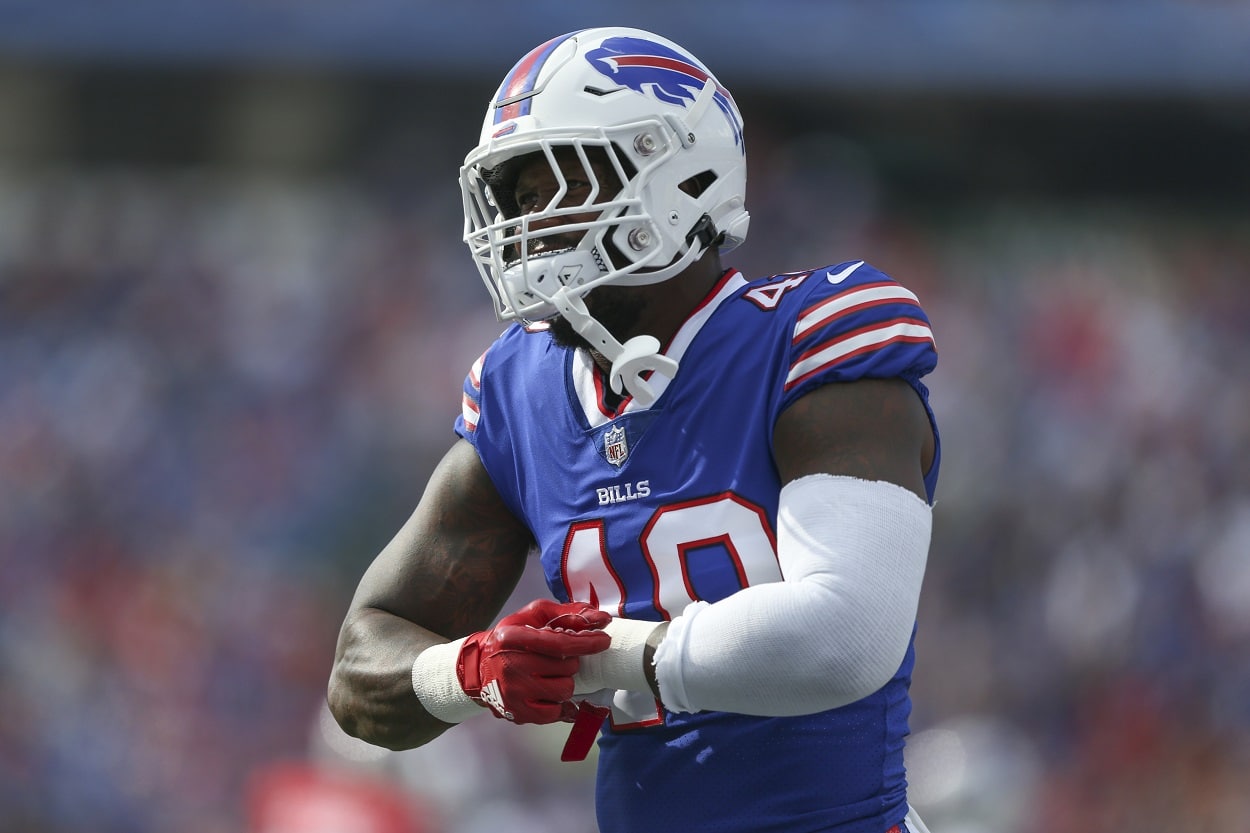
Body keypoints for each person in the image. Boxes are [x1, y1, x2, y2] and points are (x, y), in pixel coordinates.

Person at [328, 26, 940, 833]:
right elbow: (359, 670)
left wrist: (614, 655)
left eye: (562, 184)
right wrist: (471, 670)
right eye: (517, 194)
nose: (530, 222)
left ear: (679, 174)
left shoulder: (809, 338)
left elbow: (847, 636)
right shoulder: (523, 389)